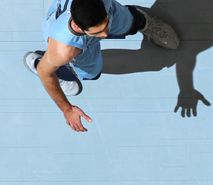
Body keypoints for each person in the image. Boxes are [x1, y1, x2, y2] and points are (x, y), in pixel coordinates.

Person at [24, 0, 180, 132]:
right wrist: (67, 109)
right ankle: (46, 62)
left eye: (105, 26)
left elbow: (102, 27)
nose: (106, 34)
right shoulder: (64, 49)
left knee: (130, 21)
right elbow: (45, 72)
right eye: (98, 32)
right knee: (93, 73)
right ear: (79, 27)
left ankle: (146, 24)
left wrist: (102, 25)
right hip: (79, 48)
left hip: (105, 12)